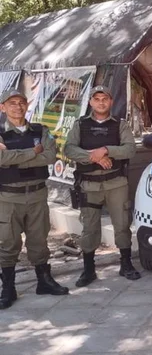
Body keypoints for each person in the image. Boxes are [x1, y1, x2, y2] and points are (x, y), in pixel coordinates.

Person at [64, 85, 140, 287]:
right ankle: (89, 269)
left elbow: (130, 149)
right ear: (90, 102)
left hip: (116, 183)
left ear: (111, 101)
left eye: (104, 98)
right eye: (96, 99)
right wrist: (94, 157)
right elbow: (69, 149)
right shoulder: (81, 125)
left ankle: (126, 264)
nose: (100, 102)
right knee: (89, 228)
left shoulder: (120, 125)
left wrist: (106, 150)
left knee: (122, 225)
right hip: (88, 185)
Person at [0, 90, 69, 309]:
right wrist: (32, 153)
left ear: (27, 106)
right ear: (3, 107)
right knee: (8, 243)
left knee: (39, 241)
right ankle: (8, 289)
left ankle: (44, 282)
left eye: (21, 103)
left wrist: (14, 158)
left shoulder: (40, 130)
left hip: (38, 194)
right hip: (9, 197)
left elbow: (49, 156)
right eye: (12, 103)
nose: (17, 107)